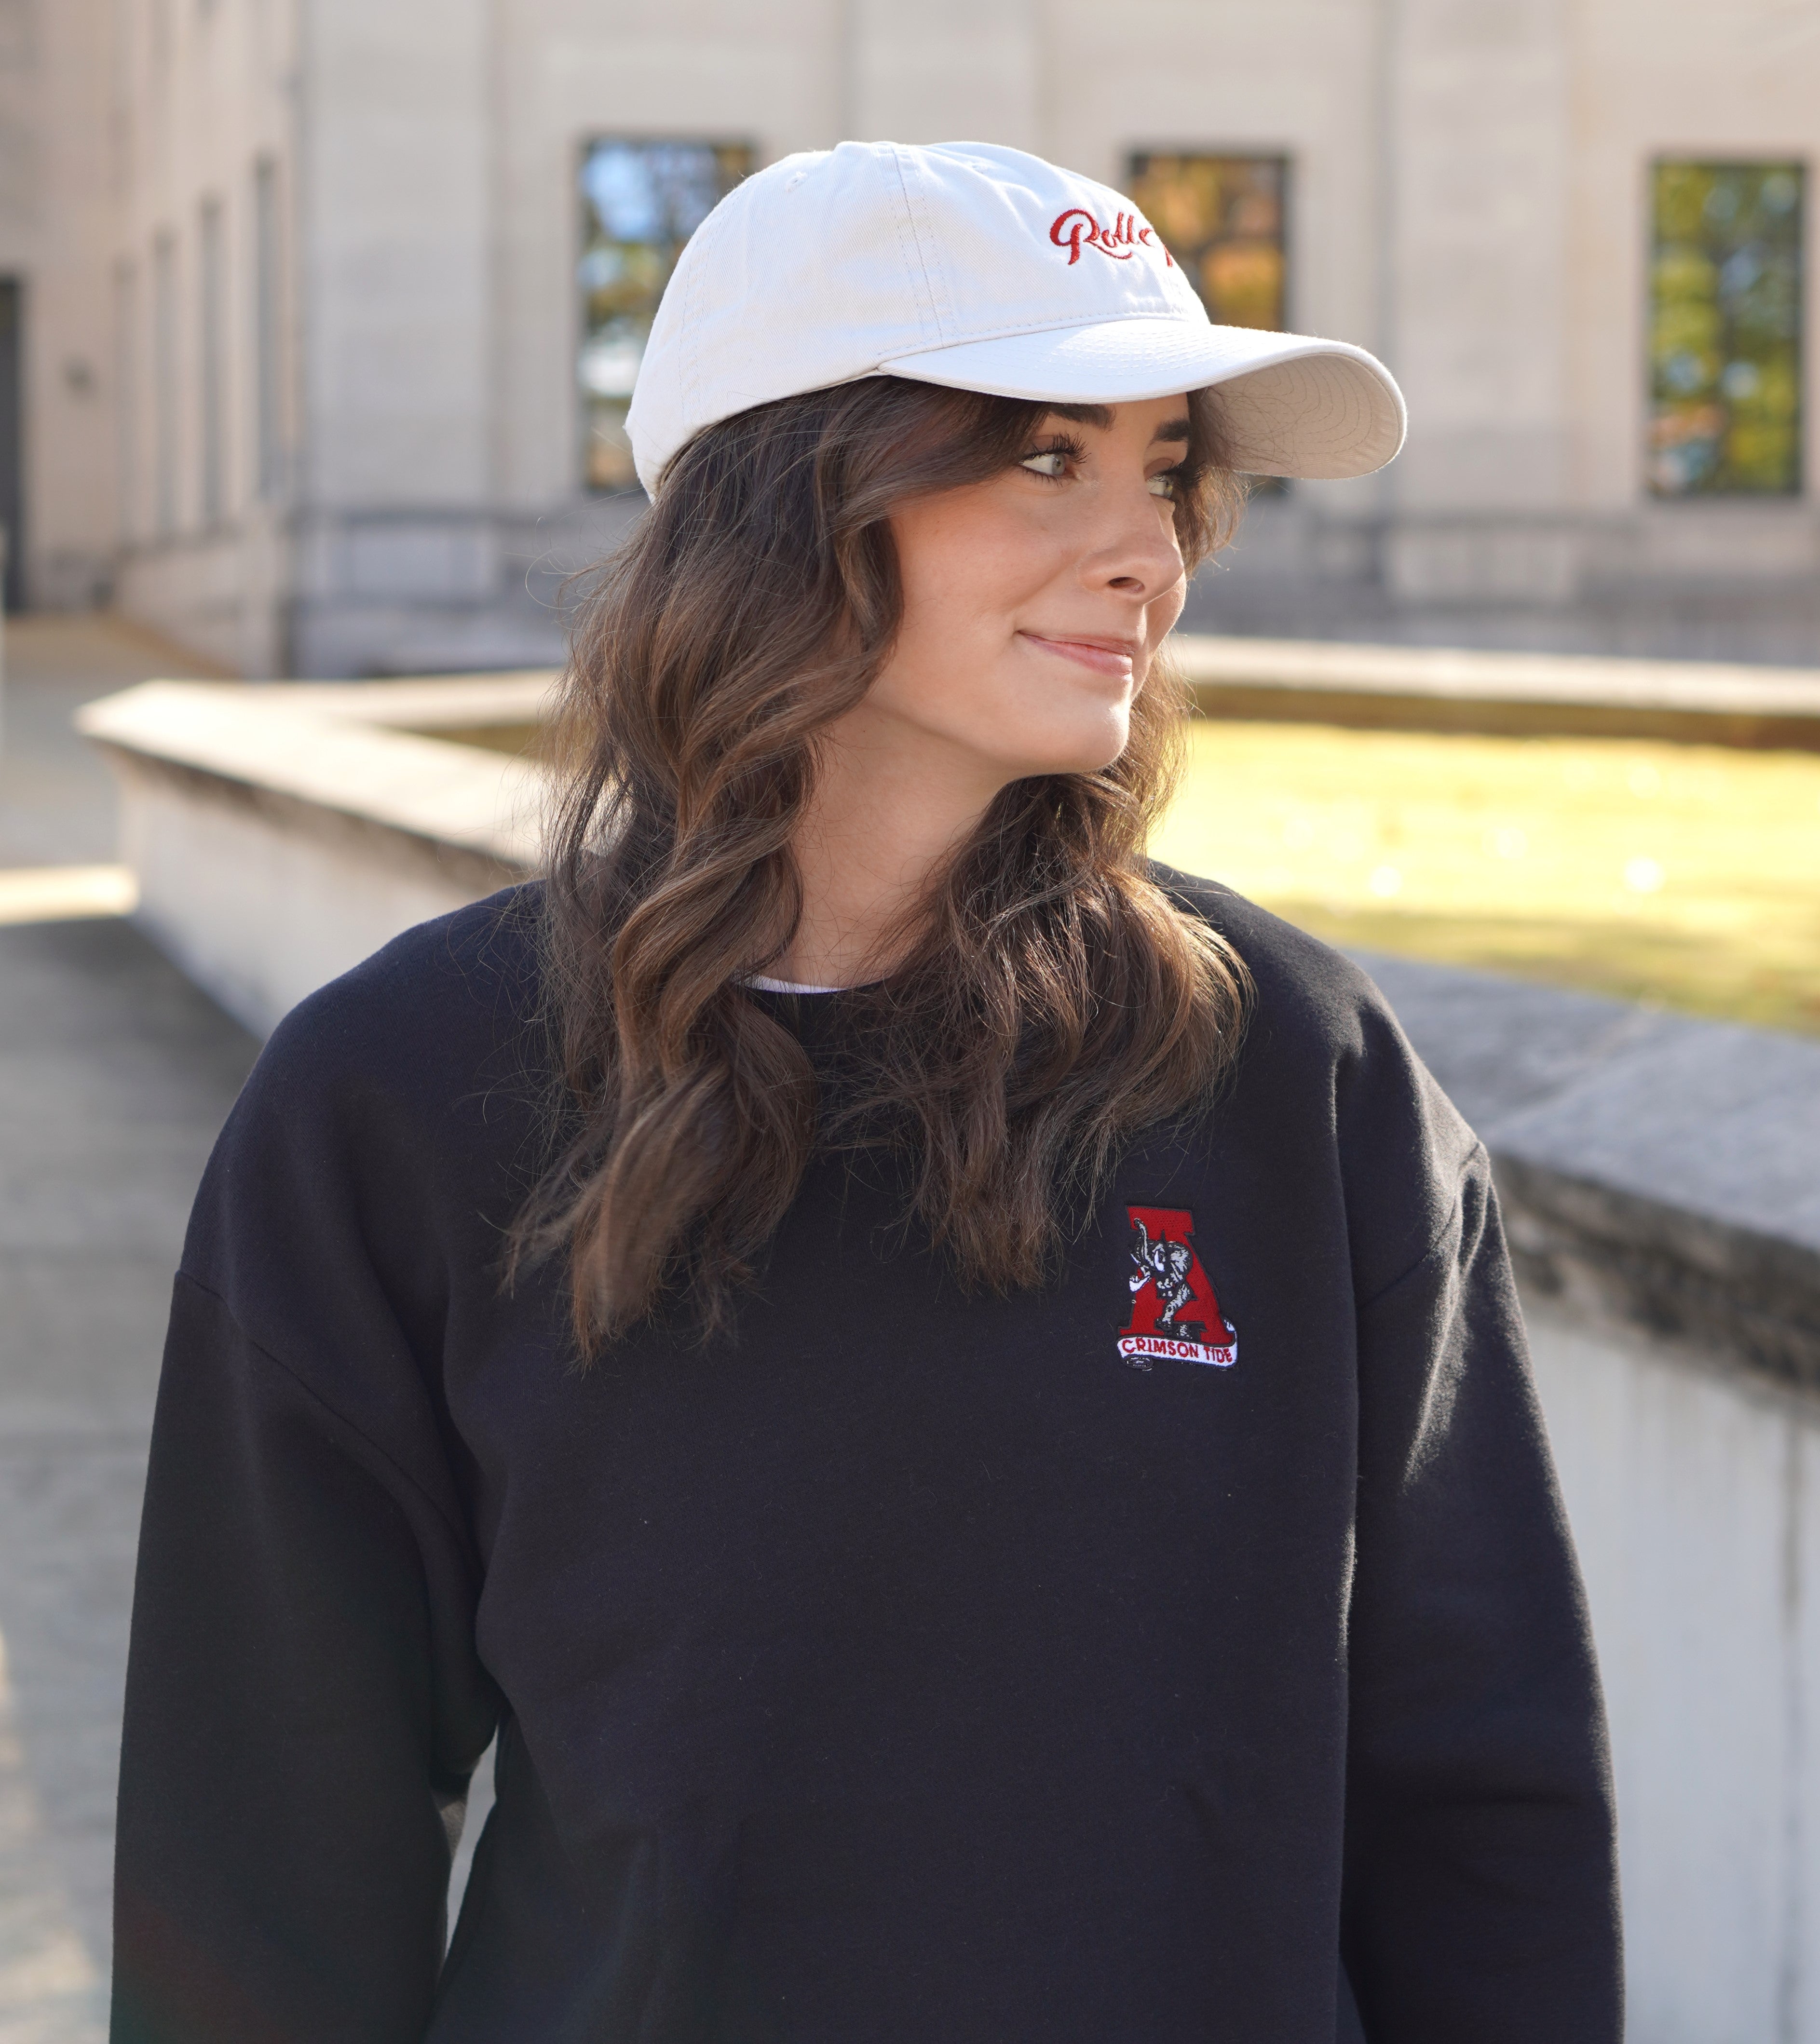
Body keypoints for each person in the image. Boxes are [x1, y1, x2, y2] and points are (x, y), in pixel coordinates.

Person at [111, 142, 1622, 2043]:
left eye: (1166, 462)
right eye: (1046, 452)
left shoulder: (1290, 1075)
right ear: (788, 500)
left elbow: (1485, 1804)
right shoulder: (402, 1101)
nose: (1148, 543)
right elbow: (256, 1873)